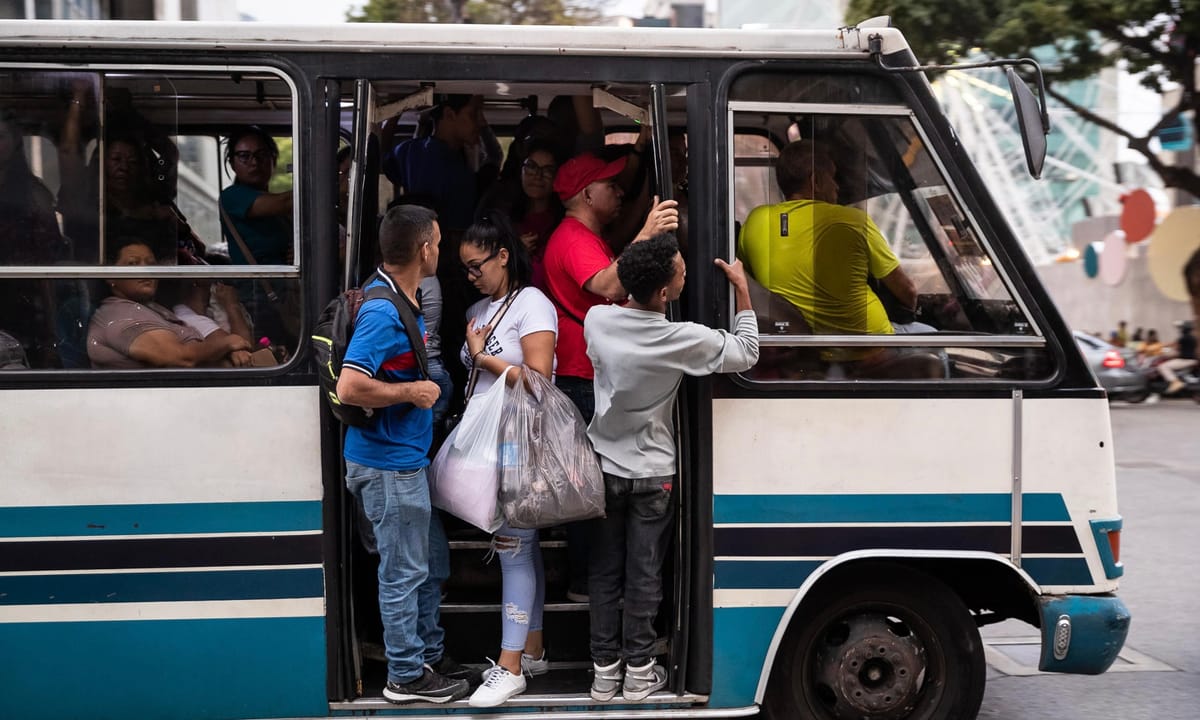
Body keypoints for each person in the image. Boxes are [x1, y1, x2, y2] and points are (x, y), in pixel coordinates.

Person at [583, 234, 759, 702]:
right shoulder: (683, 338)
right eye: (680, 271)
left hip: (604, 466)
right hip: (654, 473)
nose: (684, 273)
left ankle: (604, 672)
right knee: (644, 573)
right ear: (665, 294)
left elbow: (614, 298)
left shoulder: (597, 321)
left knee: (604, 573)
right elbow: (747, 352)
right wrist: (742, 289)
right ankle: (640, 670)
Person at [335, 205, 470, 705]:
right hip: (387, 465)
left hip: (402, 460)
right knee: (403, 572)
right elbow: (351, 386)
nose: (441, 249)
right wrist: (412, 392)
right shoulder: (383, 311)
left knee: (421, 566)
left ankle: (424, 657)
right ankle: (406, 676)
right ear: (425, 249)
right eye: (437, 241)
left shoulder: (397, 299)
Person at [541, 152, 678, 602]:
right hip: (582, 379)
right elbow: (609, 286)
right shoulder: (574, 237)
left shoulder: (586, 235)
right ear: (586, 194)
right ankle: (588, 582)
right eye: (611, 186)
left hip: (589, 374)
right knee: (590, 490)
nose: (619, 193)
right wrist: (647, 234)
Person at [455, 213, 558, 707]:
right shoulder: (480, 307)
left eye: (477, 266)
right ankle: (532, 648)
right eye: (465, 269)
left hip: (519, 443)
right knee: (524, 546)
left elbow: (539, 378)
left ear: (502, 256)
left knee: (512, 549)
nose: (471, 276)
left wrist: (482, 358)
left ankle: (510, 666)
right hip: (488, 445)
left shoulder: (533, 304)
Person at [737, 139, 916, 339]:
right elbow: (906, 291)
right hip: (870, 347)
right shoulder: (853, 220)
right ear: (816, 182)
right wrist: (912, 309)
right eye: (832, 178)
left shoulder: (755, 220)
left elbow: (750, 280)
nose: (837, 187)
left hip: (802, 346)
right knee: (931, 336)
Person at [86, 237, 251, 369]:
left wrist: (228, 352)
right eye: (133, 263)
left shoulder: (155, 310)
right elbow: (180, 358)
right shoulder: (121, 314)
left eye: (151, 264)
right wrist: (227, 343)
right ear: (110, 276)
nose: (146, 270)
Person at [0, 109, 64, 368]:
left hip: (23, 298)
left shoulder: (34, 194)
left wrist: (51, 336)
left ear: (15, 141)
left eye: (1, 137)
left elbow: (46, 269)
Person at [219, 126, 295, 342]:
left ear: (272, 160)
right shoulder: (233, 197)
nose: (254, 163)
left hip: (285, 291)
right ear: (232, 163)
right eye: (244, 156)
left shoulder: (272, 202)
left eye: (262, 155)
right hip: (258, 297)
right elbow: (284, 202)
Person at [383, 94, 487, 233]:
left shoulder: (408, 150)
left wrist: (396, 114)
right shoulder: (461, 174)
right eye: (473, 114)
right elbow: (459, 232)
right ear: (449, 114)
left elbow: (383, 159)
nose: (481, 122)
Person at [478, 138, 565, 291]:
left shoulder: (564, 223)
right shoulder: (502, 216)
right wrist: (515, 250)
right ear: (521, 170)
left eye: (547, 170)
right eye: (531, 166)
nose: (538, 175)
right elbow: (482, 270)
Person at [1157, 321, 1197, 395]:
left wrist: (1161, 347)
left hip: (1185, 360)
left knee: (1162, 367)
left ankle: (1175, 382)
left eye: (1181, 328)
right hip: (1192, 359)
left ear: (1184, 329)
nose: (1180, 330)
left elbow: (1174, 345)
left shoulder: (1183, 338)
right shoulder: (1193, 338)